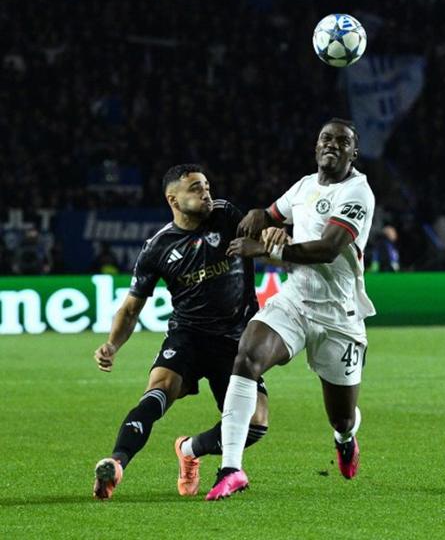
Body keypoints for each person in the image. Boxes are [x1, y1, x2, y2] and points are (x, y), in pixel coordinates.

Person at [205, 118, 375, 501]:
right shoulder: (304, 186)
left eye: (342, 141)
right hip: (295, 302)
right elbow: (272, 215)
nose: (332, 145)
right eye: (325, 139)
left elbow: (327, 249)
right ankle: (231, 468)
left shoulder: (358, 193)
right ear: (316, 146)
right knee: (247, 356)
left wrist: (268, 249)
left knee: (342, 416)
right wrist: (258, 215)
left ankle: (345, 439)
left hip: (338, 317)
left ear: (354, 152)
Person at [91, 164, 269, 500]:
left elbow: (265, 237)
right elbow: (131, 308)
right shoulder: (157, 248)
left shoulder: (227, 214)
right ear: (173, 199)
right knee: (158, 390)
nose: (206, 193)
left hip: (236, 339)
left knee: (257, 425)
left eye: (207, 186)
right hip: (188, 334)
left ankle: (189, 449)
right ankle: (116, 463)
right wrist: (112, 345)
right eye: (196, 188)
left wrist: (267, 237)